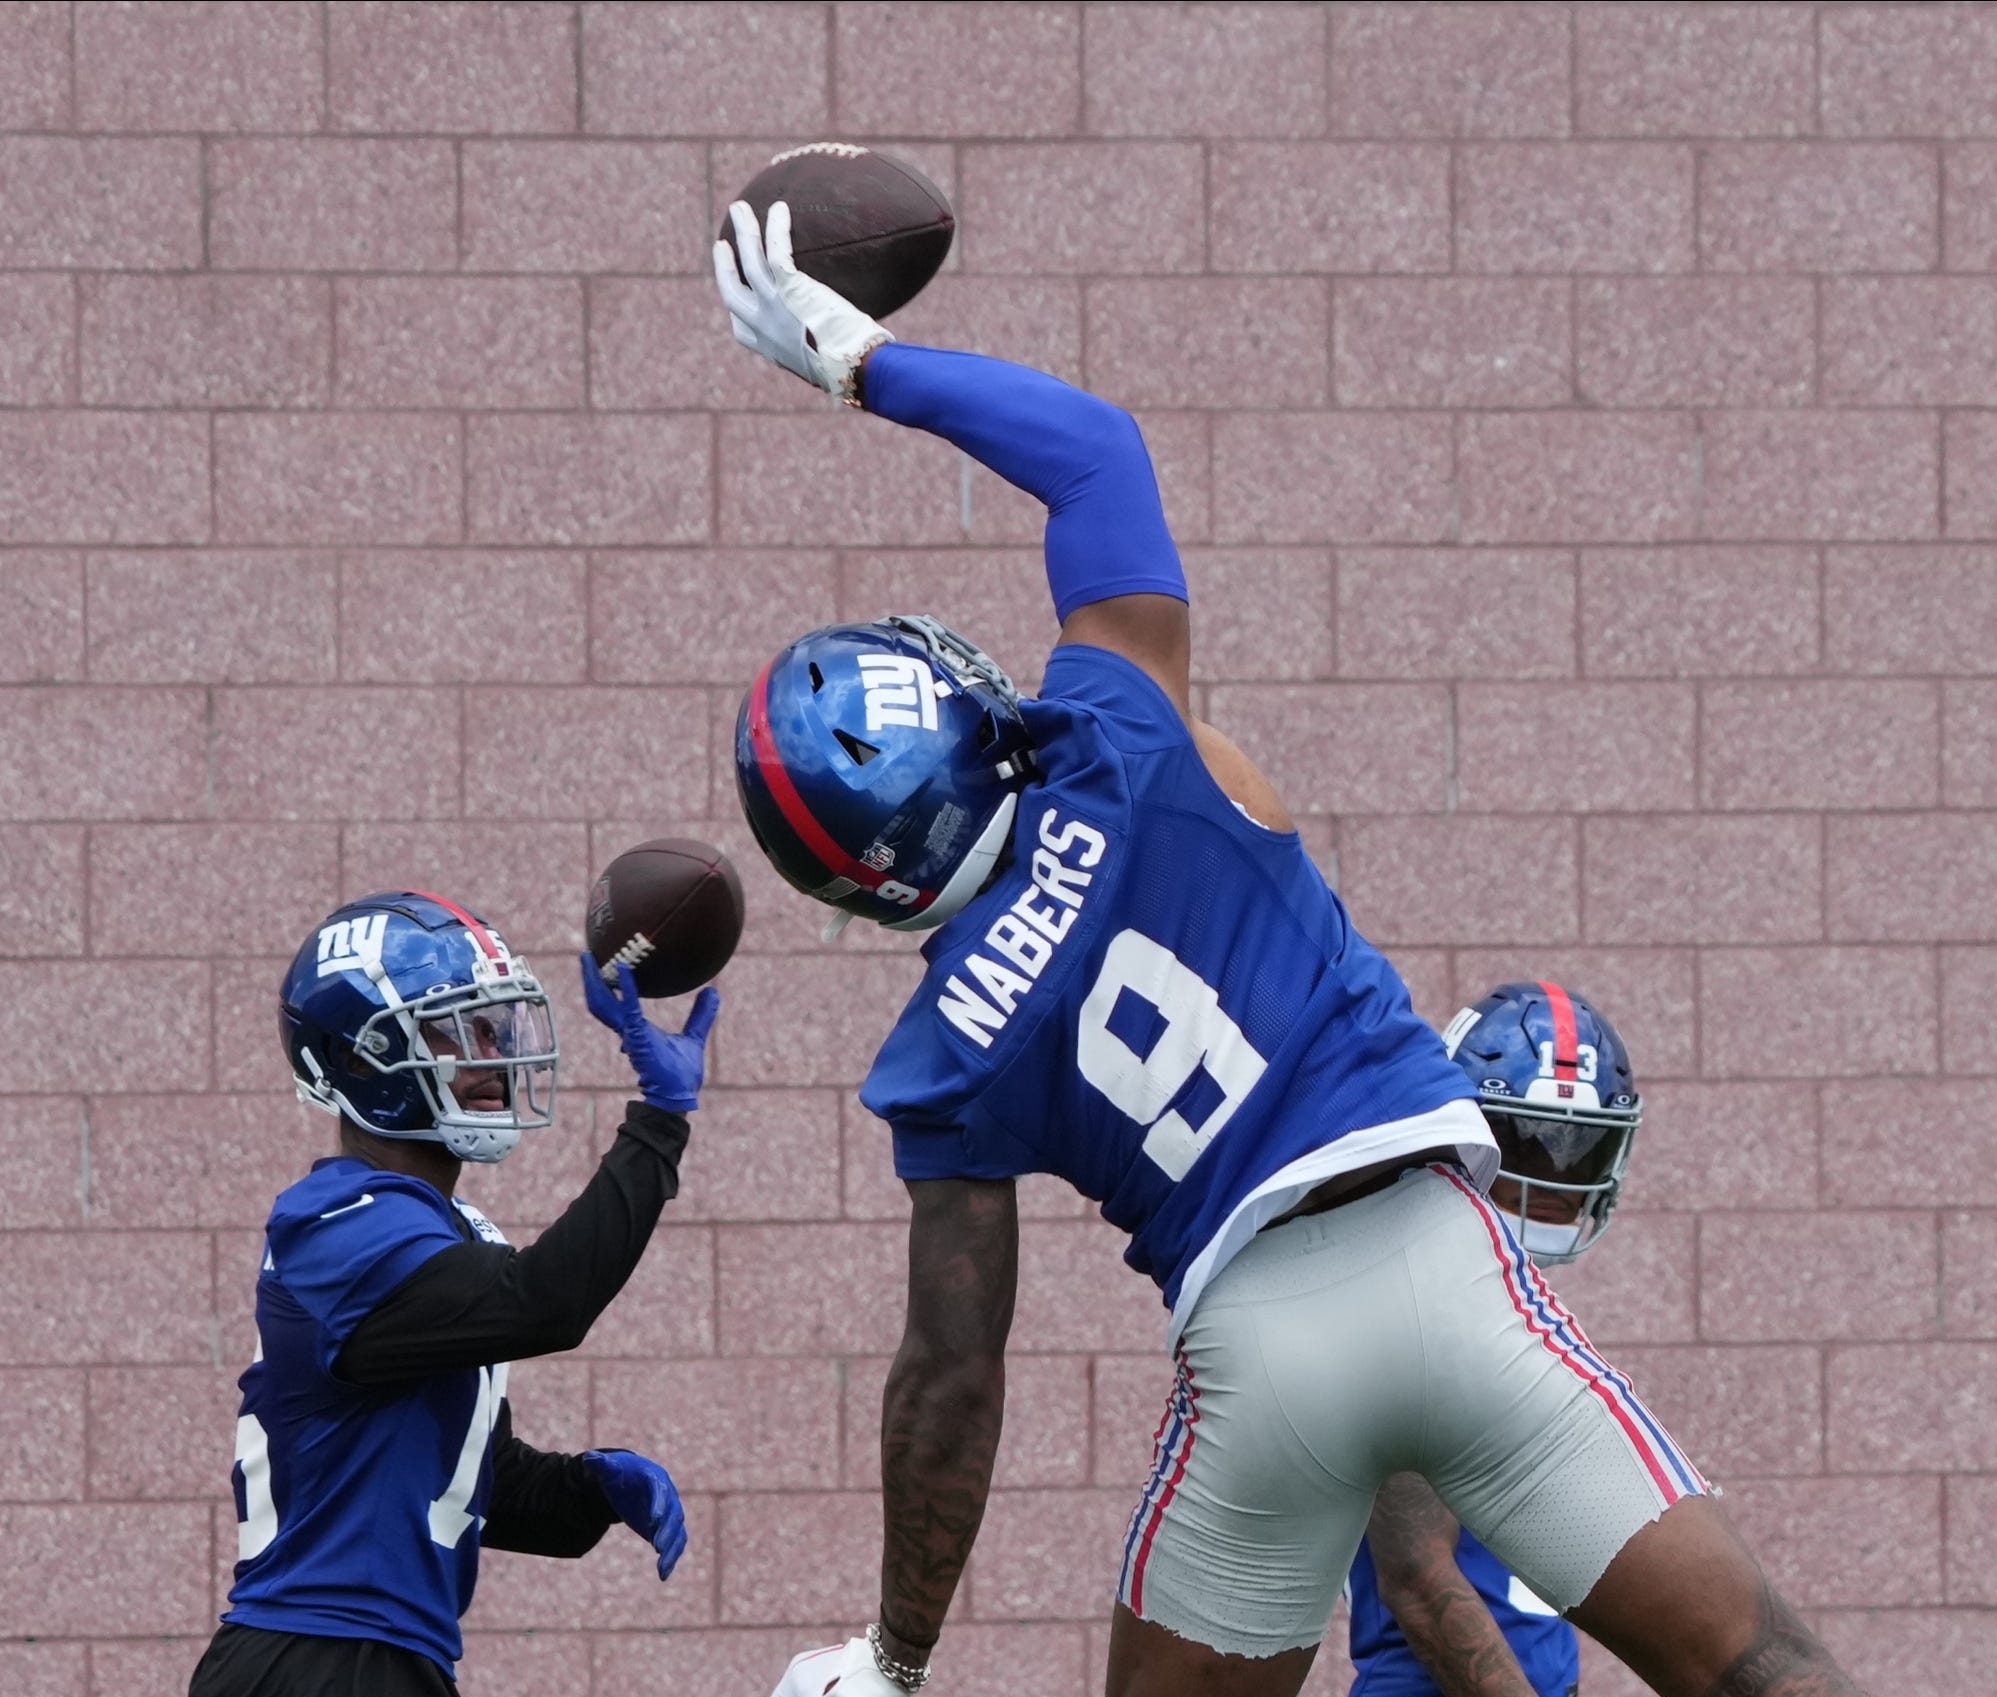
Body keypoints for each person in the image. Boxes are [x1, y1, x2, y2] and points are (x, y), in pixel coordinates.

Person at [714, 200, 1867, 1697]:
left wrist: (898, 1652)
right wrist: (868, 364)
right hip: (1445, 1261)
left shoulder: (941, 1062)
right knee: (1758, 1664)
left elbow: (951, 1379)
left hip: (1257, 1362)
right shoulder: (1122, 736)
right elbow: (1093, 452)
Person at [187, 890, 720, 1697]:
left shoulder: (441, 1230)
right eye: (454, 1030)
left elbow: (473, 1480)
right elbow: (543, 1302)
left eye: (492, 1027)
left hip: (379, 1659)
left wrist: (587, 1490)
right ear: (360, 1057)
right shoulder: (338, 1219)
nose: (488, 1054)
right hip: (317, 1656)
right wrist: (658, 1125)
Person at [1348, 981, 1644, 1697]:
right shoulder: (1416, 1301)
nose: (1547, 1177)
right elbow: (1418, 1577)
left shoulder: (1506, 1299)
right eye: (1524, 1143)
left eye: (1577, 1153)